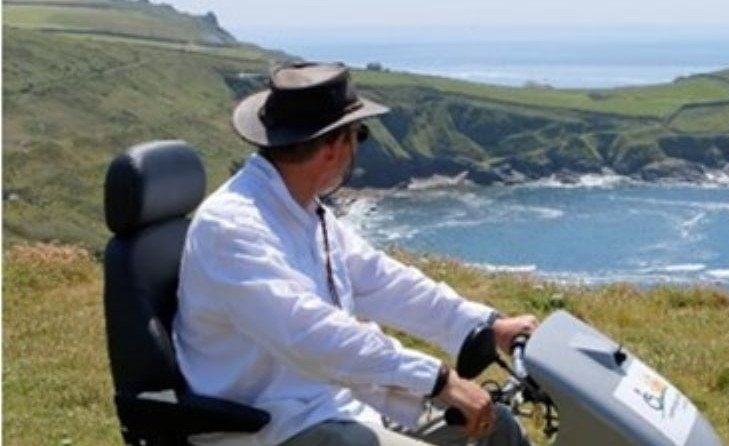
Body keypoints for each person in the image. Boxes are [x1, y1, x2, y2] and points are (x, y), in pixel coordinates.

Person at [174, 62, 536, 446]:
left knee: (497, 427)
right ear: (334, 147)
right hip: (273, 426)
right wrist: (438, 379)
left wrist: (487, 325)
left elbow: (382, 280)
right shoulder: (232, 228)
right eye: (358, 135)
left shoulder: (303, 209)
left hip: (335, 404)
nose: (358, 148)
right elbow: (312, 335)